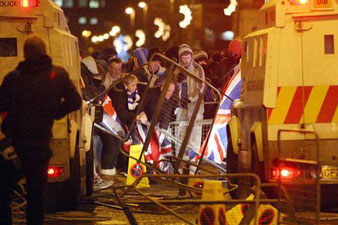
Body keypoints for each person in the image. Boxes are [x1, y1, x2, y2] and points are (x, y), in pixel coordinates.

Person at [0, 35, 82, 225]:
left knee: (4, 192)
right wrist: (54, 113)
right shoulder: (58, 75)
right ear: (45, 51)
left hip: (15, 146)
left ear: (25, 53)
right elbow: (75, 101)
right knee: (36, 196)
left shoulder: (14, 78)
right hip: (41, 144)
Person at [175, 44, 205, 174]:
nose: (186, 60)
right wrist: (178, 81)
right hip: (181, 107)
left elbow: (201, 88)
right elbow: (173, 86)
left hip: (195, 108)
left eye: (188, 57)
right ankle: (180, 167)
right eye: (184, 57)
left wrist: (192, 99)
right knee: (180, 137)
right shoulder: (177, 70)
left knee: (195, 137)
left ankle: (193, 168)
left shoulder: (198, 69)